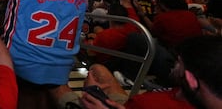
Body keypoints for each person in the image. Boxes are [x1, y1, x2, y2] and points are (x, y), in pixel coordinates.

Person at [78, 35, 222, 109]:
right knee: (98, 69)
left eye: (179, 63)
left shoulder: (149, 105)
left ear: (191, 78)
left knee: (60, 88)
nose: (174, 66)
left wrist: (92, 92)